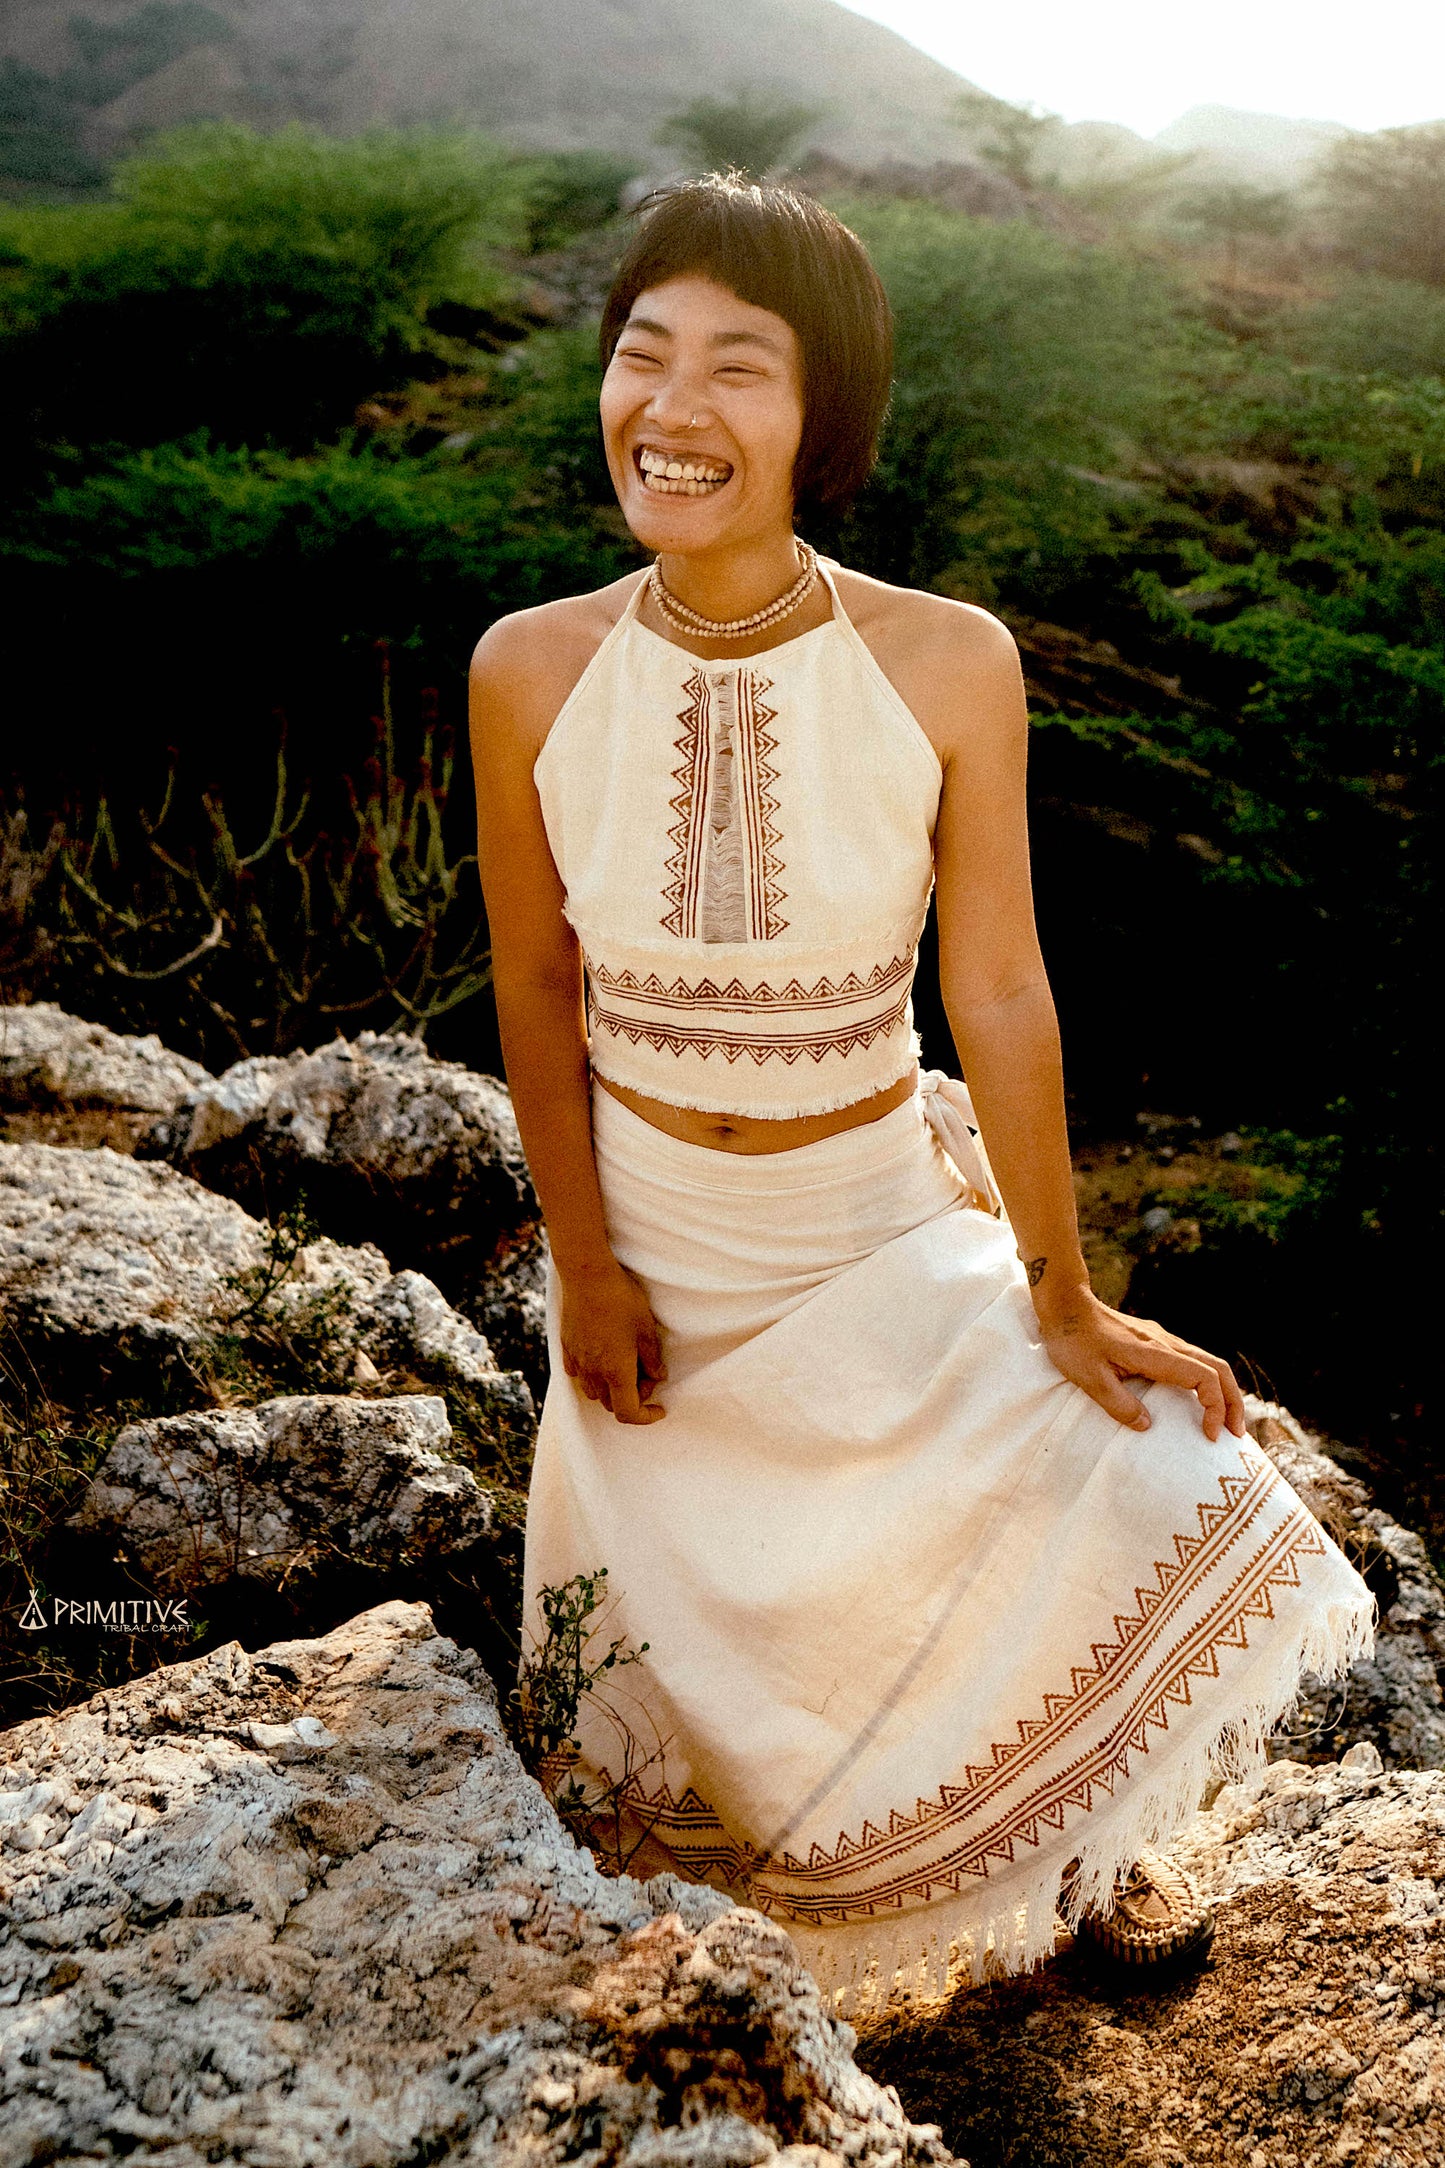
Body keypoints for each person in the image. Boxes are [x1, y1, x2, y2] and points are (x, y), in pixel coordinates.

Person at [469, 174, 1375, 2016]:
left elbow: (1000, 984)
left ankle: (1086, 1841)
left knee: (1165, 1469)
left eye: (739, 366)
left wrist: (1059, 1285)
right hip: (655, 1250)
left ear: (825, 422)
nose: (675, 407)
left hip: (877, 1217)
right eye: (643, 356)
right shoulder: (527, 667)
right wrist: (583, 1265)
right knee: (654, 1752)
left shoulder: (946, 659)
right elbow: (536, 983)